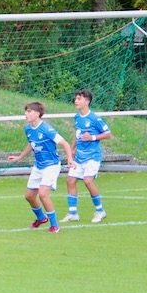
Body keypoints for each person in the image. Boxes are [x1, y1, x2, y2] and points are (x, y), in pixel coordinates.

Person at [7, 101, 76, 233]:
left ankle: (55, 225)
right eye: (26, 111)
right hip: (38, 166)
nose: (26, 114)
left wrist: (70, 159)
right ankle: (41, 218)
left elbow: (65, 144)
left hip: (51, 165)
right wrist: (19, 157)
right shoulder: (28, 129)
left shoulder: (47, 129)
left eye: (29, 111)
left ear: (38, 114)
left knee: (43, 194)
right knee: (29, 196)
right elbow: (31, 144)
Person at [64, 89, 111, 223]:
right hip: (79, 156)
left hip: (92, 156)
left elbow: (108, 134)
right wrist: (72, 149)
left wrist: (92, 137)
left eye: (79, 99)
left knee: (88, 181)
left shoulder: (95, 118)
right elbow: (77, 133)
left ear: (87, 102)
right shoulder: (77, 117)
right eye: (76, 99)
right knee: (70, 181)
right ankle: (73, 213)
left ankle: (100, 211)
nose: (76, 101)